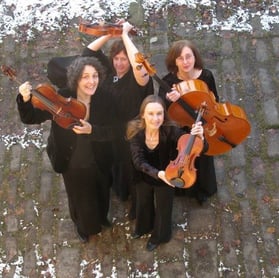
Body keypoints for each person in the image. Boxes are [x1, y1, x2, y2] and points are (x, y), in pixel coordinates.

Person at [17, 56, 116, 243]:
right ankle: (83, 227)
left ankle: (102, 217)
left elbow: (116, 130)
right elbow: (31, 117)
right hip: (70, 158)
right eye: (85, 76)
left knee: (102, 189)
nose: (91, 81)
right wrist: (25, 99)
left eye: (94, 76)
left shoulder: (106, 99)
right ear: (76, 78)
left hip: (99, 156)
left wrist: (93, 130)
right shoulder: (61, 96)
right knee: (78, 196)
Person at [82, 21, 154, 219]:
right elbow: (87, 53)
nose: (120, 63)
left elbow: (140, 65)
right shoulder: (107, 71)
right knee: (114, 165)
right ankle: (120, 190)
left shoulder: (136, 79)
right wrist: (110, 33)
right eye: (116, 58)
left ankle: (137, 206)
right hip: (109, 131)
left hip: (129, 133)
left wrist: (125, 36)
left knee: (132, 169)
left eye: (124, 59)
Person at [126, 95, 207, 251]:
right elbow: (139, 162)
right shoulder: (136, 132)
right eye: (151, 114)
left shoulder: (171, 130)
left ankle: (159, 236)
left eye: (159, 113)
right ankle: (143, 227)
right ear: (143, 114)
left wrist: (200, 137)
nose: (155, 119)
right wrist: (158, 174)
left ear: (164, 114)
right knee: (143, 203)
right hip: (144, 174)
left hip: (169, 174)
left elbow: (195, 148)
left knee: (164, 208)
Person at [158, 39, 218, 204]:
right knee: (182, 153)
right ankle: (182, 184)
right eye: (180, 58)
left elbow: (215, 102)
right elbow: (161, 111)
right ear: (174, 61)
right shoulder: (168, 82)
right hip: (181, 129)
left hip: (200, 126)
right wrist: (169, 101)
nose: (185, 62)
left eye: (188, 57)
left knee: (202, 154)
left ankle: (203, 189)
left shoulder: (206, 76)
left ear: (195, 57)